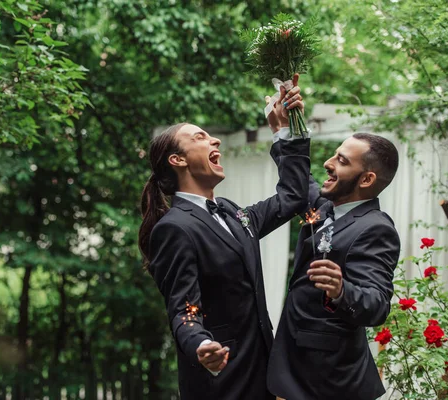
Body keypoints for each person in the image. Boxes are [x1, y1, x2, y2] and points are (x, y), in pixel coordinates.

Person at [138, 76, 310, 400]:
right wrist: (201, 344)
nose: (215, 140)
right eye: (200, 137)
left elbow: (293, 197)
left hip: (263, 379)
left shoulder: (231, 212)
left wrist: (286, 132)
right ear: (178, 160)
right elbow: (184, 308)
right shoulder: (174, 229)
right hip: (221, 385)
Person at [267, 133, 401, 400]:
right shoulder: (325, 207)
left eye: (341, 160)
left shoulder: (376, 228)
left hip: (329, 382)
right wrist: (285, 129)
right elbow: (300, 181)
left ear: (366, 179)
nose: (328, 163)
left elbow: (376, 306)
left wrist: (341, 290)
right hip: (294, 369)